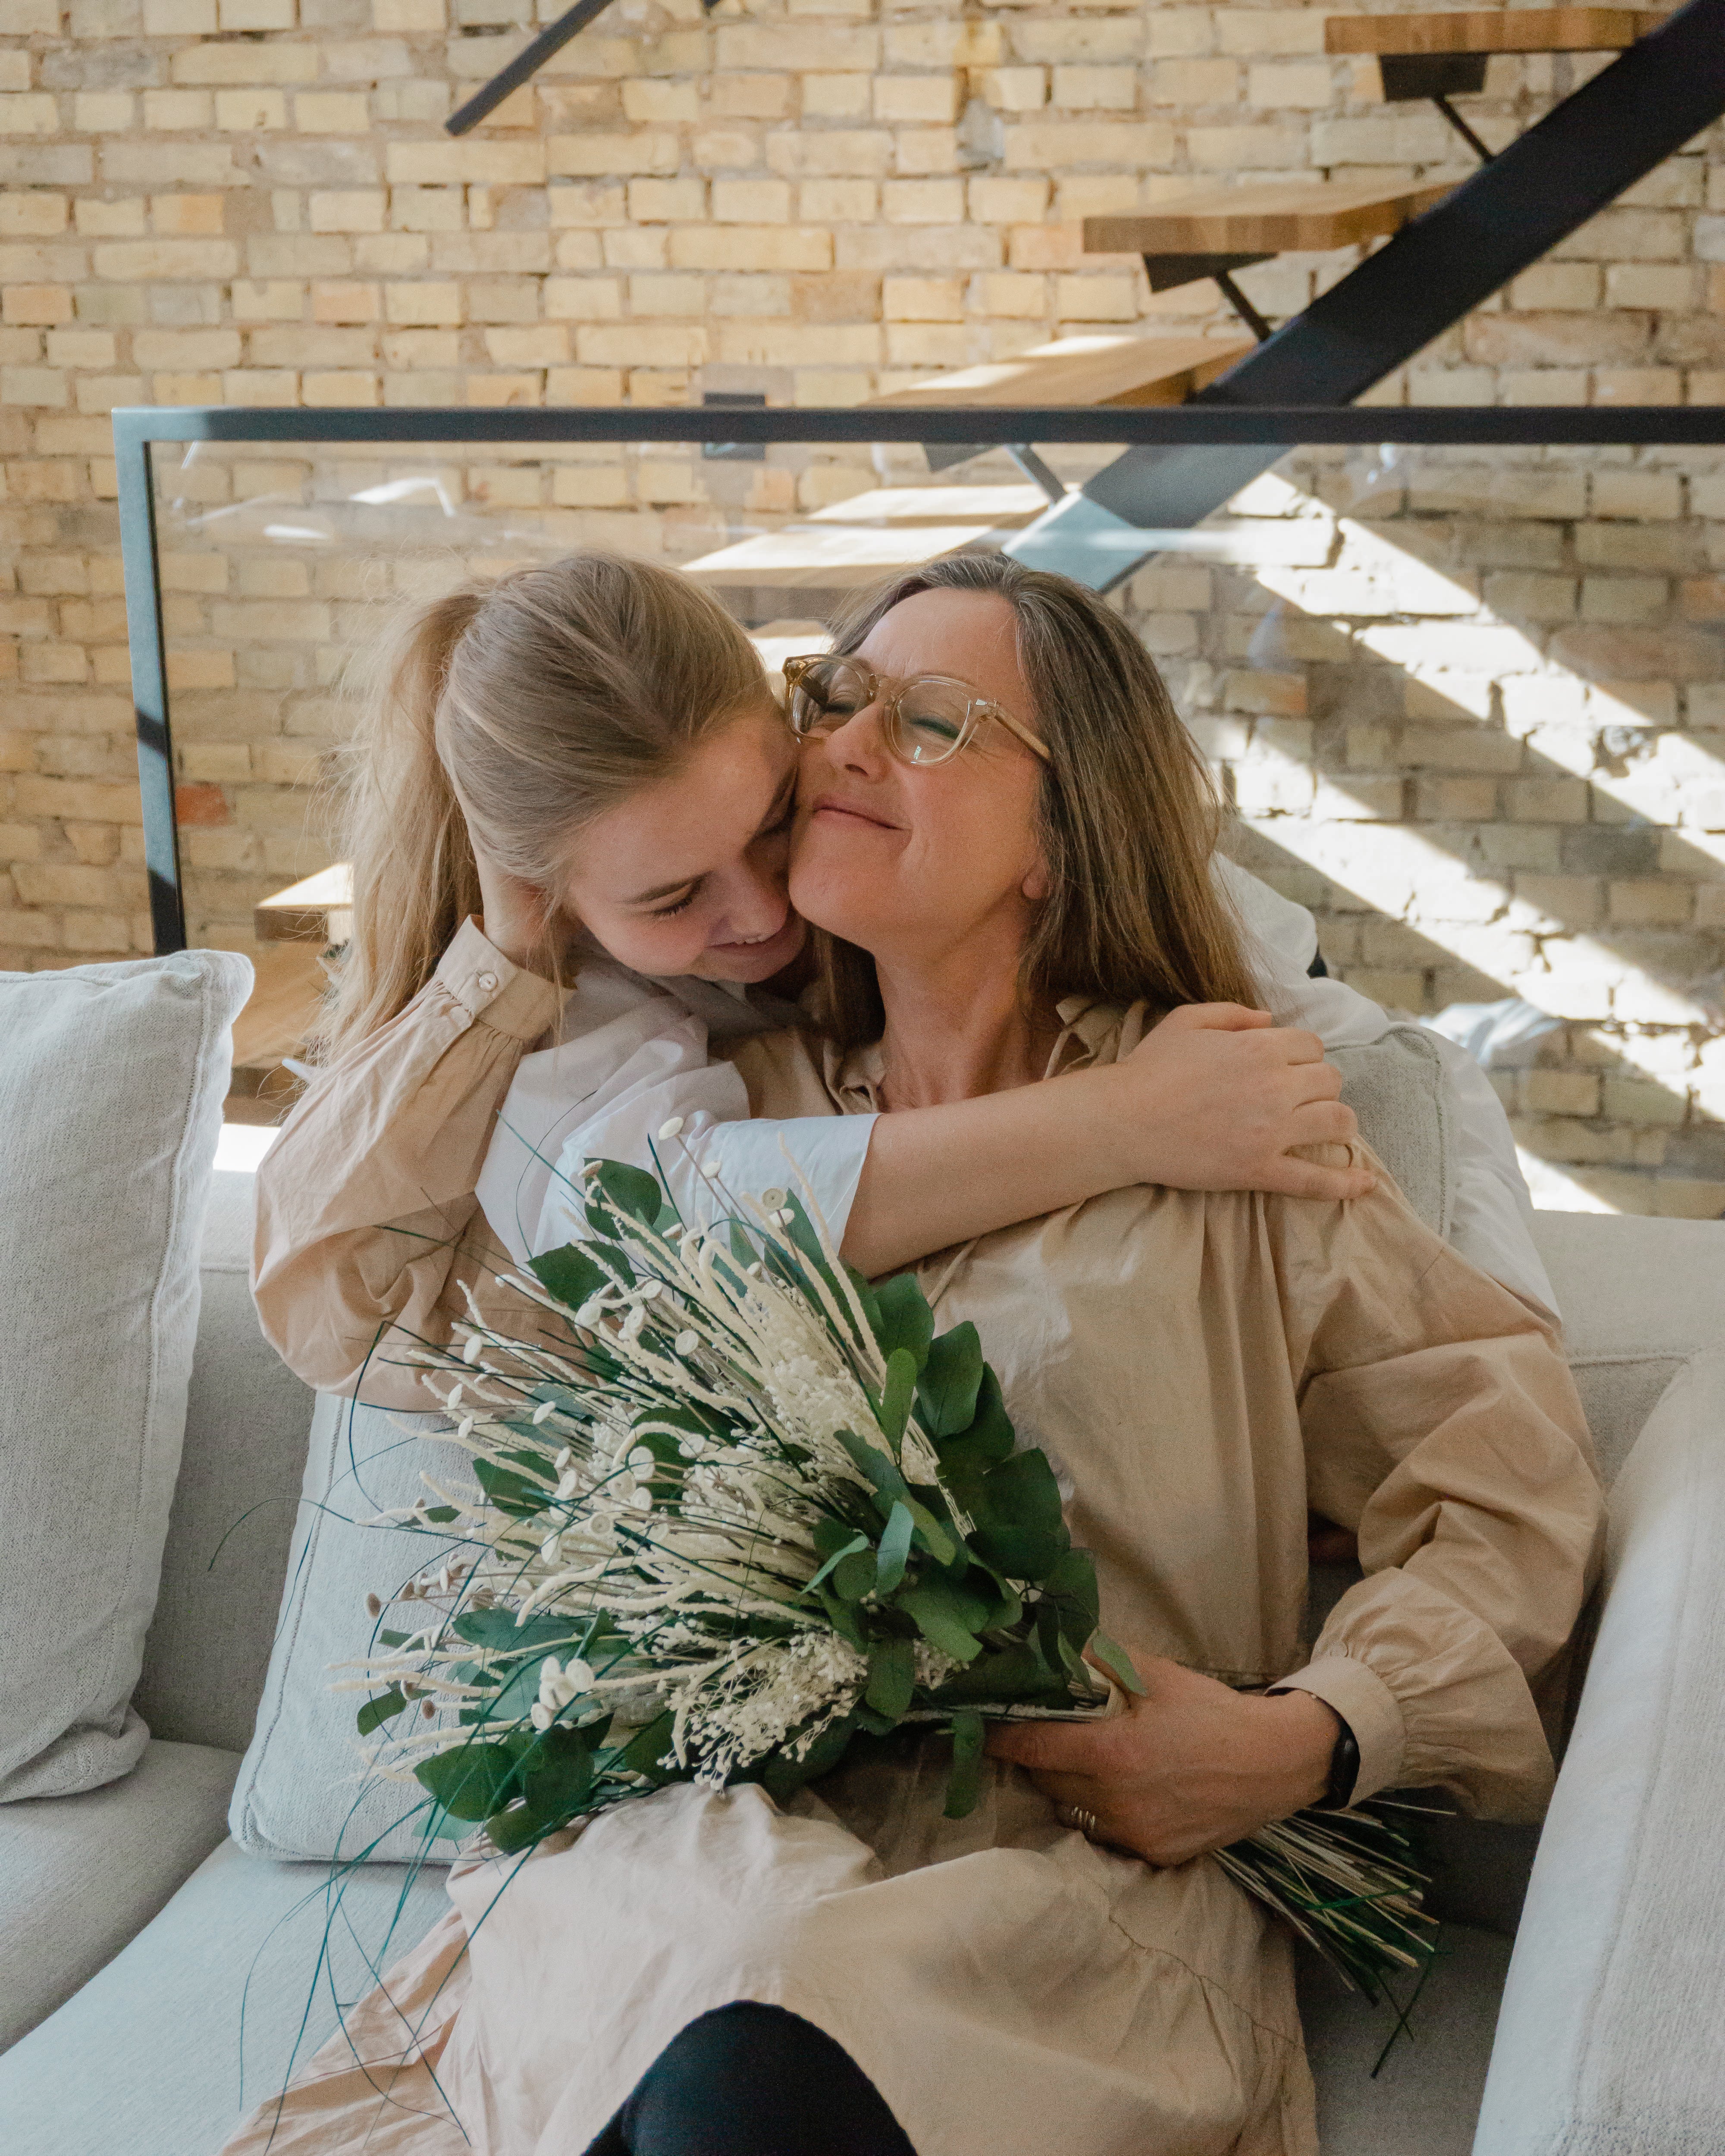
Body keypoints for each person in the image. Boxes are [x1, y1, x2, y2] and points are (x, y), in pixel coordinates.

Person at [228, 555, 1602, 2156]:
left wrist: (1309, 1735)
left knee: (791, 1994)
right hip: (689, 1847)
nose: (856, 741)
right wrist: (513, 938)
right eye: (844, 697)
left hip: (1069, 1875)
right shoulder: (683, 1125)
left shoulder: (1242, 1135)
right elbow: (363, 1304)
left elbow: (1502, 1497)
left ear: (1066, 836)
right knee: (739, 1967)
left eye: (936, 719)